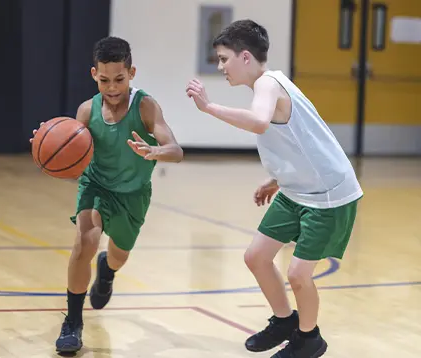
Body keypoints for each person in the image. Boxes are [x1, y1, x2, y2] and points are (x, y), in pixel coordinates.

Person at [186, 19, 363, 358]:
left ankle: (309, 340)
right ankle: (284, 321)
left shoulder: (268, 84)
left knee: (298, 274)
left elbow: (259, 122)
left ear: (246, 57)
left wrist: (208, 108)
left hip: (328, 195)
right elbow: (301, 140)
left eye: (224, 58)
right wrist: (278, 177)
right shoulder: (270, 84)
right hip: (298, 188)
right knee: (256, 257)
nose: (221, 66)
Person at [31, 36, 184, 353]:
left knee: (119, 255)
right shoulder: (87, 111)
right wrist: (46, 142)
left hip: (132, 194)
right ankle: (73, 322)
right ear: (93, 75)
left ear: (132, 73)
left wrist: (155, 150)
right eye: (104, 80)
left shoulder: (145, 107)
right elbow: (67, 145)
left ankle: (108, 270)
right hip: (96, 186)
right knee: (84, 242)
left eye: (119, 79)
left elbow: (176, 150)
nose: (112, 87)